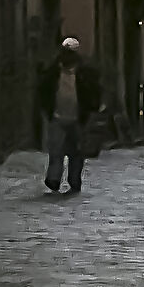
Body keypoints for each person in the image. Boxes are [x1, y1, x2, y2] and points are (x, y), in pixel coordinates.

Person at [36, 37, 101, 196]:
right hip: (57, 116)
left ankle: (74, 181)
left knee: (76, 152)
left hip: (78, 118)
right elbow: (43, 91)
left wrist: (92, 108)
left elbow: (94, 91)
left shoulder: (85, 73)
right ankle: (54, 179)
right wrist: (47, 109)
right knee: (56, 150)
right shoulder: (53, 73)